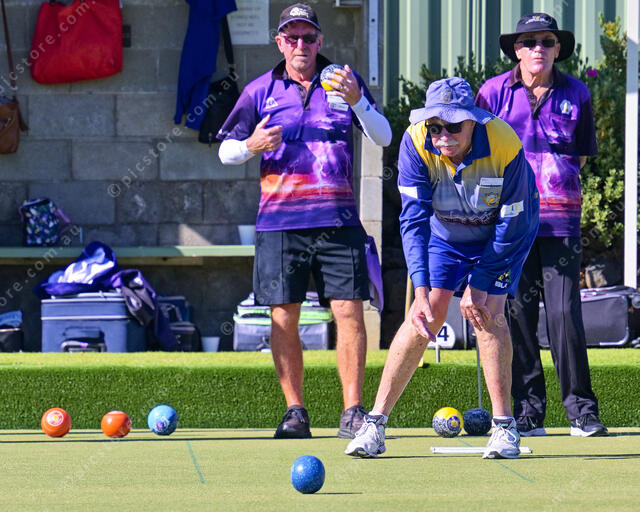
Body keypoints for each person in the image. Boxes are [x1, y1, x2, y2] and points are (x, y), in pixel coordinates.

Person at [217, 3, 392, 440]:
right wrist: (251, 145)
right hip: (280, 223)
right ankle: (295, 411)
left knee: (349, 312)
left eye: (309, 37)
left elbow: (384, 136)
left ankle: (353, 411)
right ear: (280, 42)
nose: (301, 45)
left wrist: (358, 101)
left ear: (320, 41)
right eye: (292, 37)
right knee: (284, 315)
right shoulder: (260, 90)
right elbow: (224, 151)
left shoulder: (344, 83)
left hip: (339, 221)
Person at [345, 76, 539, 460]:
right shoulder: (415, 140)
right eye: (436, 127)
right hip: (446, 237)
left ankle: (505, 429)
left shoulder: (505, 143)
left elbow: (513, 223)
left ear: (473, 122)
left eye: (453, 126)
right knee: (424, 316)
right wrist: (419, 290)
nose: (443, 136)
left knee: (489, 313)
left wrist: (480, 283)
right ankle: (375, 424)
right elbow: (413, 218)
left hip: (501, 236)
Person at [475, 13, 607, 437]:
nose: (538, 49)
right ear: (516, 49)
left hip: (560, 224)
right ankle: (529, 412)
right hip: (509, 226)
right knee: (516, 315)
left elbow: (580, 156)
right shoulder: (491, 93)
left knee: (565, 314)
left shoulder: (577, 92)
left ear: (557, 49)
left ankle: (581, 411)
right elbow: (478, 156)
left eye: (547, 41)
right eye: (529, 41)